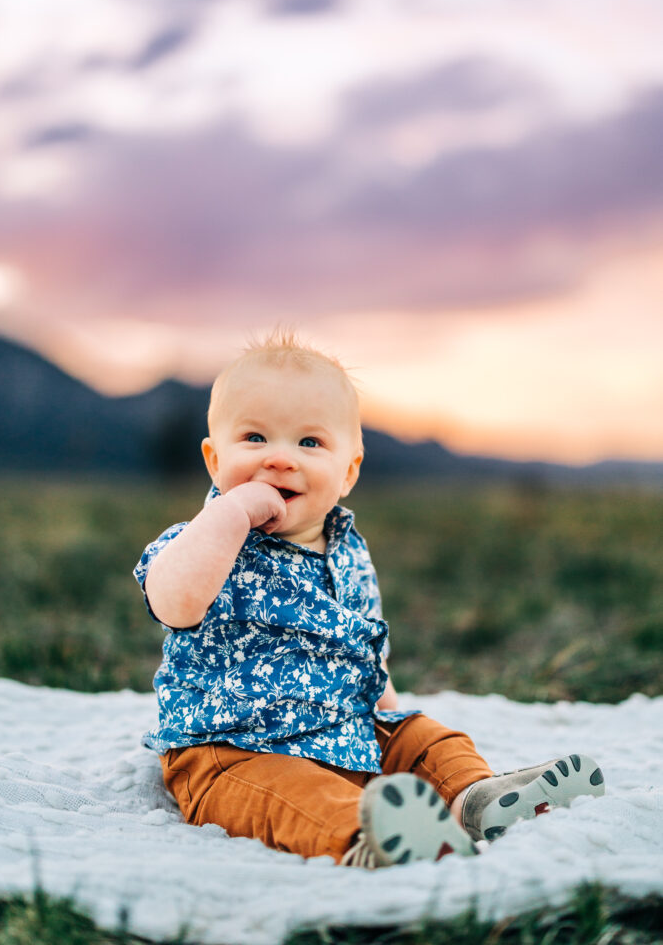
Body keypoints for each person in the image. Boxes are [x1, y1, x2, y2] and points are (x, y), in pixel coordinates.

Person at [134, 331, 604, 868]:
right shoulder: (205, 540)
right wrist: (230, 514)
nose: (280, 460)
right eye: (255, 438)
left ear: (349, 470)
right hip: (234, 752)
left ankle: (476, 799)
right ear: (215, 459)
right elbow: (175, 604)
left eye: (309, 443)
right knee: (295, 795)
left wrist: (392, 722)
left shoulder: (349, 554)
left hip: (346, 733)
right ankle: (371, 833)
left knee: (426, 737)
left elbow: (364, 653)